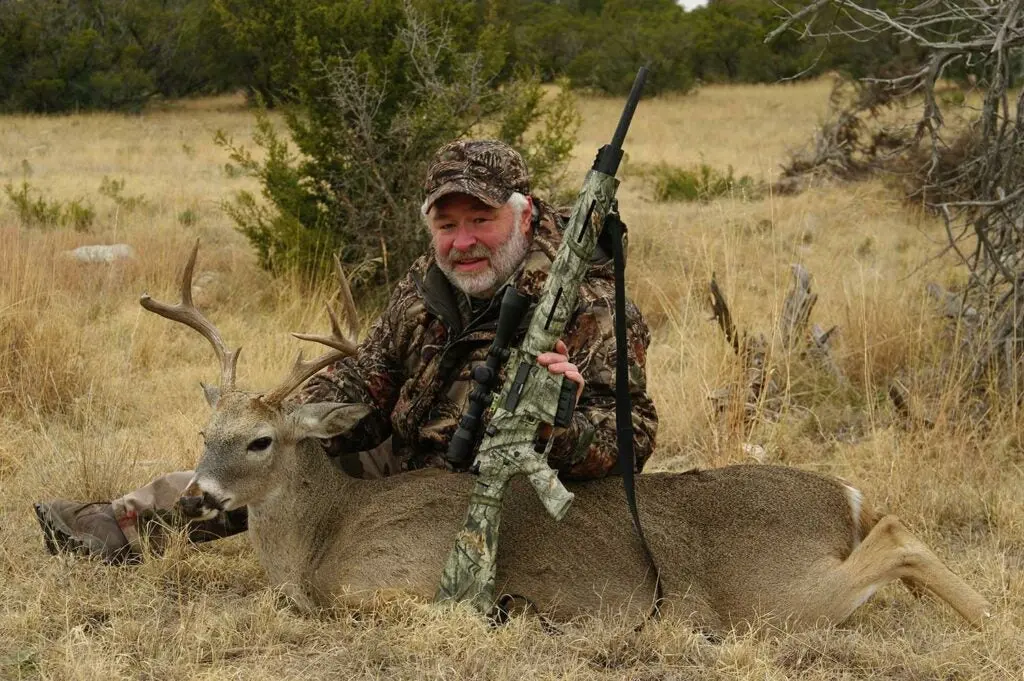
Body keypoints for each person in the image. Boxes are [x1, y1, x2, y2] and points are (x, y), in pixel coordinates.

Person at [34, 139, 658, 563]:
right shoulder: (426, 286)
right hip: (411, 460)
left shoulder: (592, 305)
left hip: (520, 487)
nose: (463, 241)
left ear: (524, 218)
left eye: (481, 220)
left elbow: (632, 439)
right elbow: (369, 375)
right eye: (447, 225)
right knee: (276, 462)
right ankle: (124, 523)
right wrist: (290, 419)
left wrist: (561, 421)